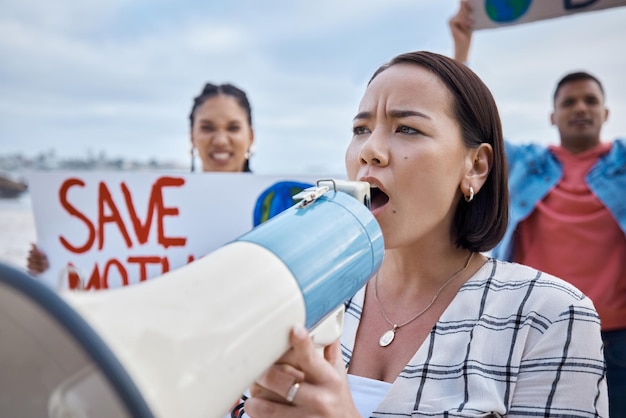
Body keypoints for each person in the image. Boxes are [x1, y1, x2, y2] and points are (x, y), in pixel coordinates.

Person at [234, 51, 608, 417]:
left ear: (475, 166)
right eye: (360, 129)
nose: (370, 151)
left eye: (407, 128)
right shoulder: (305, 297)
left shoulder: (550, 316)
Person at [450, 2, 626, 416]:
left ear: (605, 112)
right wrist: (462, 48)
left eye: (589, 100)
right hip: (536, 332)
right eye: (569, 102)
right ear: (553, 115)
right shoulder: (527, 164)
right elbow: (471, 134)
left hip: (617, 338)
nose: (580, 108)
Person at [27, 83, 310, 275]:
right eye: (207, 127)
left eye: (233, 127)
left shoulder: (282, 207)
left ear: (251, 136)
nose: (220, 139)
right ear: (192, 137)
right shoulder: (157, 210)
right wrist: (53, 266)